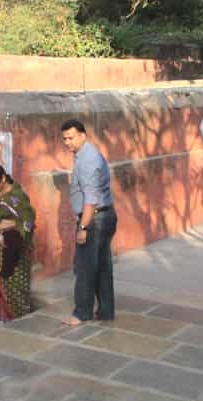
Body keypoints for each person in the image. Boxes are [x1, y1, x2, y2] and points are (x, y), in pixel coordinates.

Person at [60, 119, 117, 326]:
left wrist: (83, 227)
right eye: (64, 139)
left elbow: (91, 199)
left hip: (94, 219)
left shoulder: (87, 161)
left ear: (82, 136)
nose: (67, 142)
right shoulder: (85, 154)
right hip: (104, 215)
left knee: (84, 267)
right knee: (102, 267)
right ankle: (105, 311)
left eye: (71, 138)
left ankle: (81, 312)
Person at [0, 163, 36, 322]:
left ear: (3, 178)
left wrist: (9, 224)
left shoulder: (17, 197)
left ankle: (19, 319)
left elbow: (28, 221)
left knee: (13, 285)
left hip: (13, 249)